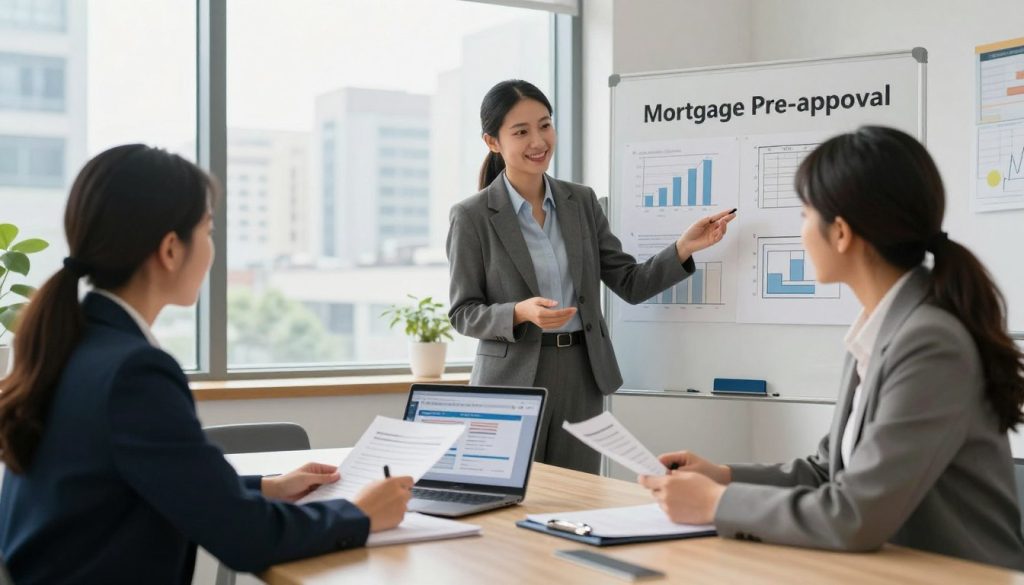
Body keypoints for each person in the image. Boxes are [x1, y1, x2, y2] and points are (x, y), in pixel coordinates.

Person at [0, 145, 413, 584]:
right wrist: (359, 514)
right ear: (171, 249)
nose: (212, 248)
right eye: (208, 229)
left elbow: (147, 481)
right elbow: (245, 539)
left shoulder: (73, 344)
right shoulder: (134, 372)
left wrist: (265, 488)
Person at [637, 126, 1024, 570]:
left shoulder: (929, 342)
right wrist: (721, 475)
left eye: (805, 215)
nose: (801, 233)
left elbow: (854, 515)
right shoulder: (882, 326)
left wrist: (716, 503)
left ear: (840, 233)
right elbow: (828, 471)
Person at [447, 80, 735, 474]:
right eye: (521, 132)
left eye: (545, 125)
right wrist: (518, 312)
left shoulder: (579, 201)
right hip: (510, 378)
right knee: (512, 496)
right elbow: (463, 312)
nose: (538, 140)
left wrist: (683, 248)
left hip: (581, 373)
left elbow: (630, 283)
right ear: (492, 141)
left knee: (578, 496)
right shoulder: (472, 216)